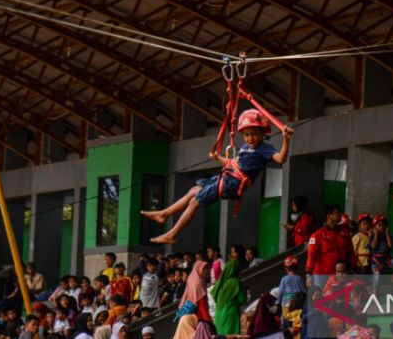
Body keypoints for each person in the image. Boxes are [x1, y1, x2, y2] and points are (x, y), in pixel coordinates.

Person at [142, 109, 293, 244]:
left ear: (262, 133)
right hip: (227, 177)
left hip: (232, 184)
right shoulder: (245, 148)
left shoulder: (265, 149)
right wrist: (217, 158)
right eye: (247, 135)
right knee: (195, 189)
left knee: (195, 201)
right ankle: (164, 213)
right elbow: (233, 164)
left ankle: (172, 234)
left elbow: (281, 159)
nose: (250, 138)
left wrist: (286, 140)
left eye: (254, 134)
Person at [305, 204, 356, 289]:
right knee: (321, 299)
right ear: (329, 215)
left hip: (341, 274)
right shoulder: (317, 235)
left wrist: (354, 268)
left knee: (341, 298)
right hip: (322, 275)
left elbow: (351, 252)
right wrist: (309, 275)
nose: (340, 215)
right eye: (337, 213)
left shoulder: (344, 233)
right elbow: (311, 255)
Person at [367, 214, 393, 293]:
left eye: (384, 225)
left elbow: (390, 246)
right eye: (379, 225)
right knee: (377, 274)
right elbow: (373, 246)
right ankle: (375, 291)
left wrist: (387, 234)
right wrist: (376, 234)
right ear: (374, 227)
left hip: (386, 260)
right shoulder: (372, 236)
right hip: (376, 262)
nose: (382, 227)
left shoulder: (387, 236)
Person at [211, 259, 246, 335]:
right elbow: (242, 300)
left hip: (219, 315)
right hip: (231, 316)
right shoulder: (236, 282)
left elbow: (214, 296)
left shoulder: (220, 282)